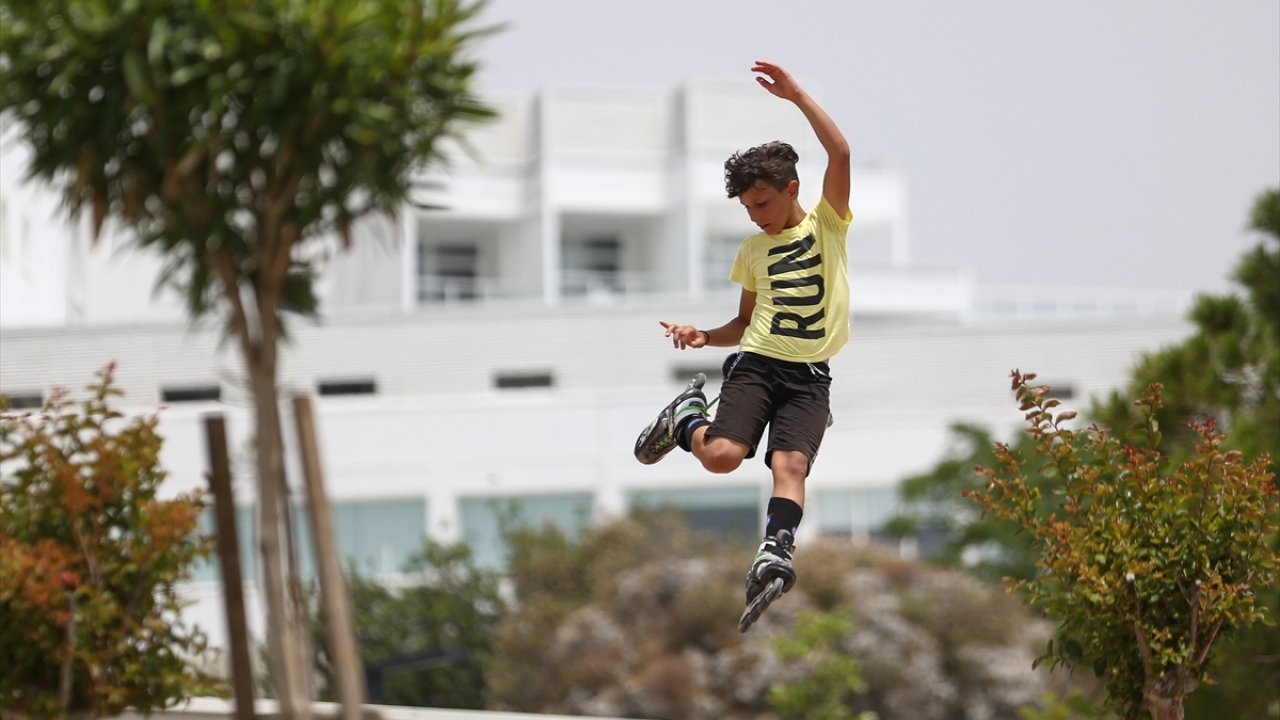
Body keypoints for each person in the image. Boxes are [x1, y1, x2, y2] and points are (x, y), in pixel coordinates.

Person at [636, 60, 851, 607]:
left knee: (791, 464)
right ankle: (685, 419)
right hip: (758, 365)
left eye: (762, 203)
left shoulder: (827, 225)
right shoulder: (753, 251)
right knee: (725, 456)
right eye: (747, 208)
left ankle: (776, 546)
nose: (755, 216)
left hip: (810, 379)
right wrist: (702, 336)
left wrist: (798, 95)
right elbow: (744, 322)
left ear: (791, 189)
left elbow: (841, 154)